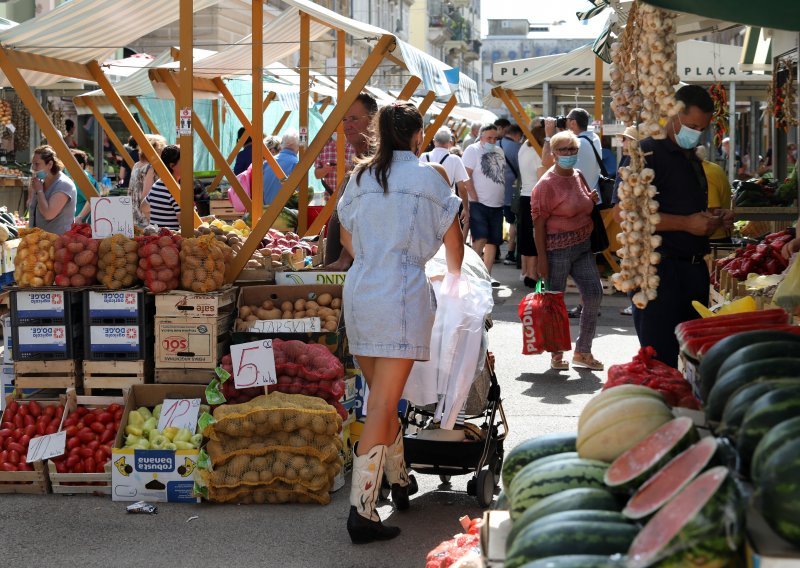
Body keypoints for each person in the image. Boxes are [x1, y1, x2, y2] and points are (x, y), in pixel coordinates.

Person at [337, 101, 463, 544]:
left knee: (382, 400)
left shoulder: (360, 177)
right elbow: (455, 245)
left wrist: (375, 254)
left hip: (360, 292)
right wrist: (450, 277)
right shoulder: (430, 177)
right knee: (382, 405)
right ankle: (362, 511)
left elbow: (347, 236)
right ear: (417, 135)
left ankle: (400, 478)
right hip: (401, 296)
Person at [626, 85, 732, 369]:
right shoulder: (645, 152)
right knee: (660, 361)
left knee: (692, 359)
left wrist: (712, 217)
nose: (697, 133)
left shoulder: (691, 157)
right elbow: (627, 212)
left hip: (693, 271)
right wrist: (686, 223)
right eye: (692, 126)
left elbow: (680, 207)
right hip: (659, 275)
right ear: (672, 114)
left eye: (702, 128)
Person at [531, 131, 604, 371]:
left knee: (594, 293)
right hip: (556, 250)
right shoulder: (546, 185)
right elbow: (538, 225)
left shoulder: (579, 175)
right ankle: (556, 353)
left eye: (572, 149)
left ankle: (583, 351)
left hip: (583, 246)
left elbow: (583, 202)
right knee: (555, 303)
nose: (569, 154)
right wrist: (541, 260)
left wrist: (590, 200)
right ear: (553, 154)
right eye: (563, 150)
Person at [324, 93, 379, 271]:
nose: (348, 125)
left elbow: (369, 215)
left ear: (373, 122)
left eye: (354, 118)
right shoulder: (360, 161)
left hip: (355, 271)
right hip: (344, 273)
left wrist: (344, 258)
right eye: (345, 119)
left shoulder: (376, 163)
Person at [462, 124, 505, 278]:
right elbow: (465, 175)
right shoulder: (472, 150)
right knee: (480, 239)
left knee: (493, 241)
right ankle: (472, 274)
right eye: (489, 138)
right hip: (479, 203)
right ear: (481, 137)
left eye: (495, 138)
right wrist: (473, 195)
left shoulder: (499, 151)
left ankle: (486, 276)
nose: (492, 141)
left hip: (497, 203)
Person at [420, 127, 470, 240]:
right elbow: (462, 188)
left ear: (434, 141)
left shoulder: (424, 156)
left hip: (426, 203)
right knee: (446, 239)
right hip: (447, 205)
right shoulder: (455, 159)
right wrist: (466, 209)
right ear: (450, 142)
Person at [612, 125, 640, 316]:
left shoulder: (638, 161)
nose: (622, 142)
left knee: (634, 262)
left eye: (626, 139)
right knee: (629, 261)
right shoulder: (627, 158)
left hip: (634, 220)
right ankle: (634, 299)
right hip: (627, 219)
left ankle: (636, 300)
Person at [517, 123, 547, 287]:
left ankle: (527, 272)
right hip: (535, 197)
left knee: (526, 237)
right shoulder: (538, 152)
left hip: (524, 196)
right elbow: (542, 177)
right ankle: (534, 275)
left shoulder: (523, 147)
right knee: (536, 237)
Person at [28, 145, 77, 235]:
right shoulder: (41, 182)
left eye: (37, 164)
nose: (34, 168)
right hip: (40, 242)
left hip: (58, 243)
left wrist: (39, 191)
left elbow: (48, 214)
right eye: (33, 164)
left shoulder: (64, 184)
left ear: (50, 164)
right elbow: (31, 208)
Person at [696, 146, 733, 245]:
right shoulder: (713, 167)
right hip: (719, 236)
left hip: (713, 239)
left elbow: (713, 211)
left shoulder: (705, 173)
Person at [129, 134, 166, 228]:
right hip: (145, 219)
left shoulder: (136, 165)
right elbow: (146, 195)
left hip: (133, 216)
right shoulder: (150, 168)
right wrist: (154, 221)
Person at [499, 124, 523, 265]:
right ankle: (510, 253)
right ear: (516, 134)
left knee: (496, 220)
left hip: (493, 192)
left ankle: (494, 251)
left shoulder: (495, 144)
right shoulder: (517, 148)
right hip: (511, 191)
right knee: (513, 222)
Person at [145, 144, 183, 231]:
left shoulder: (158, 183)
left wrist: (157, 226)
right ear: (172, 165)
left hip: (160, 238)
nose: (190, 165)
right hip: (171, 240)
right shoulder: (175, 189)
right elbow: (186, 223)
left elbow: (144, 207)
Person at [566, 108, 602, 192]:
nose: (565, 123)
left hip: (582, 198)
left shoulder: (577, 143)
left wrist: (549, 135)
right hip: (596, 194)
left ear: (573, 123)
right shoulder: (595, 138)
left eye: (566, 120)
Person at [262, 130, 300, 206]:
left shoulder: (266, 163)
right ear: (298, 146)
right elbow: (300, 196)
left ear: (282, 144)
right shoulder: (297, 165)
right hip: (284, 214)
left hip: (264, 213)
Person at [69, 149, 102, 224]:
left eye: (71, 164)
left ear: (81, 165)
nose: (68, 167)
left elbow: (92, 199)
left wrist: (80, 217)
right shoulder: (75, 177)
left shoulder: (83, 178)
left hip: (82, 224)